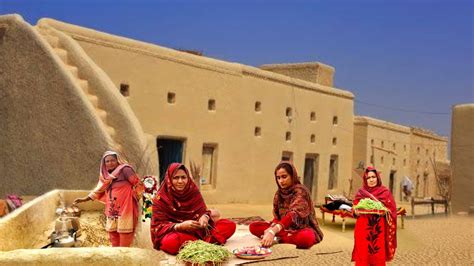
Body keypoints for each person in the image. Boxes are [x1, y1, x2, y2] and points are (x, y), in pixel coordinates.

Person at [150, 163, 236, 255]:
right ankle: (204, 244)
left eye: (183, 177)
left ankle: (198, 244)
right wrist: (180, 226)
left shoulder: (192, 190)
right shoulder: (161, 198)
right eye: (176, 178)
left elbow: (203, 211)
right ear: (169, 179)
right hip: (176, 233)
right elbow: (158, 227)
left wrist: (205, 217)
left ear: (188, 178)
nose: (180, 181)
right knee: (170, 242)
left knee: (229, 225)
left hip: (198, 232)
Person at [73, 151, 143, 247]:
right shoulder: (106, 177)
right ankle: (115, 252)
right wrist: (84, 199)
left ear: (117, 160)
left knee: (124, 231)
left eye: (112, 160)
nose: (110, 163)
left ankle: (123, 253)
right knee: (112, 232)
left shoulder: (125, 169)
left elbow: (138, 184)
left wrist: (135, 196)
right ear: (104, 164)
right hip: (112, 208)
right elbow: (99, 190)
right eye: (107, 161)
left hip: (126, 206)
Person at [249, 161, 324, 249]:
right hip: (283, 228)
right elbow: (277, 217)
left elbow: (293, 214)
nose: (281, 181)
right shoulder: (279, 193)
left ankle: (280, 240)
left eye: (284, 177)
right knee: (254, 226)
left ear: (292, 176)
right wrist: (272, 227)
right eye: (278, 178)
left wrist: (273, 231)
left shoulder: (301, 191)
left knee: (305, 238)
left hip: (301, 228)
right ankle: (285, 236)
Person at [352, 167, 397, 265]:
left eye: (373, 177)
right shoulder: (361, 193)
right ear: (365, 179)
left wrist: (385, 211)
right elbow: (354, 207)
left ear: (378, 178)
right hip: (362, 230)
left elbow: (392, 209)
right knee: (363, 253)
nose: (371, 180)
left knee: (377, 254)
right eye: (368, 178)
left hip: (378, 230)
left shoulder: (385, 192)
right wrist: (355, 212)